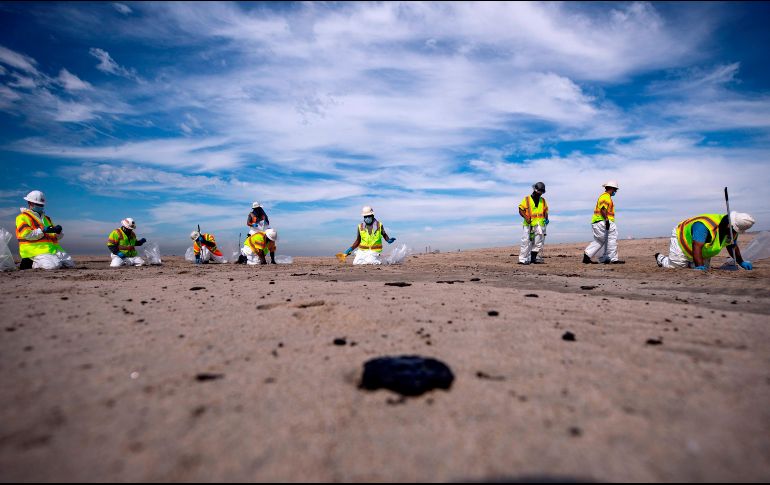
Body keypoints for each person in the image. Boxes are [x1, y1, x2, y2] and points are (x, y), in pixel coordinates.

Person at [655, 212, 755, 271]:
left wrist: (741, 262)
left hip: (701, 247)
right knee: (676, 266)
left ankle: (690, 262)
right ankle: (661, 258)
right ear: (729, 225)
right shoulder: (704, 226)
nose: (734, 233)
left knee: (703, 267)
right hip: (682, 237)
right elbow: (696, 246)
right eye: (734, 230)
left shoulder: (731, 230)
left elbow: (732, 245)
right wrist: (699, 267)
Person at [15, 190, 76, 270]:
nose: (40, 206)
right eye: (38, 204)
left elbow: (55, 237)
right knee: (53, 266)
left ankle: (52, 260)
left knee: (70, 265)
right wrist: (43, 230)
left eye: (41, 205)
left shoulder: (46, 219)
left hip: (52, 249)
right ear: (30, 203)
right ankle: (28, 263)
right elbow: (27, 235)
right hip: (34, 251)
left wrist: (59, 232)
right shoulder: (22, 217)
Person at [583, 181, 624, 264]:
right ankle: (613, 259)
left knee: (600, 240)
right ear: (611, 188)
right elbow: (603, 209)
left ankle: (587, 256)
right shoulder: (606, 197)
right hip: (604, 222)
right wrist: (607, 220)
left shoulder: (603, 197)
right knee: (612, 238)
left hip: (597, 222)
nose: (615, 192)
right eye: (615, 190)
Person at [518, 182, 549, 265]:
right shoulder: (527, 199)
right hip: (529, 223)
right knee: (526, 241)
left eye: (542, 192)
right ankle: (522, 259)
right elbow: (520, 210)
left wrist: (546, 219)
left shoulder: (543, 200)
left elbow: (545, 211)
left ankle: (533, 258)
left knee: (538, 242)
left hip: (540, 224)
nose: (541, 193)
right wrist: (526, 217)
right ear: (535, 190)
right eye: (539, 191)